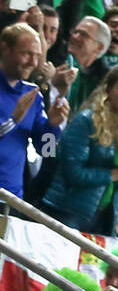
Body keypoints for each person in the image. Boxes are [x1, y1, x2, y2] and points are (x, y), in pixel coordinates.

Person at [41, 63, 118, 236]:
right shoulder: (86, 121)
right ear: (107, 91)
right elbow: (74, 173)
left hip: (104, 218)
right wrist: (117, 173)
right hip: (68, 210)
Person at [0, 23, 69, 199]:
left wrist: (53, 126)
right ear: (5, 48)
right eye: (26, 54)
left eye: (37, 56)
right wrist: (12, 121)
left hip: (12, 198)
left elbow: (47, 151)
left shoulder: (33, 95)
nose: (33, 62)